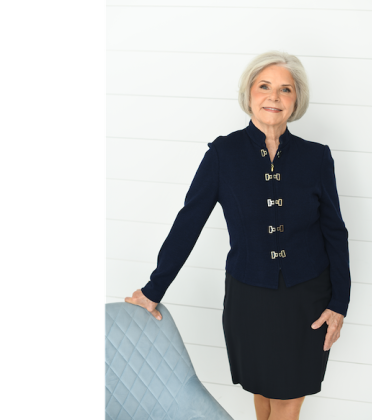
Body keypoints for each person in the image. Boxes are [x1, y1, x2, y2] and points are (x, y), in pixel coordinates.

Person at [125, 51, 351, 420]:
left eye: (285, 89)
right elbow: (189, 221)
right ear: (249, 94)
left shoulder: (316, 158)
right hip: (249, 299)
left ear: (297, 101)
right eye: (264, 87)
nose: (273, 97)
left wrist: (339, 303)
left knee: (288, 404)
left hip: (308, 302)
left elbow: (335, 233)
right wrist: (154, 290)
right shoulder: (222, 154)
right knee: (262, 398)